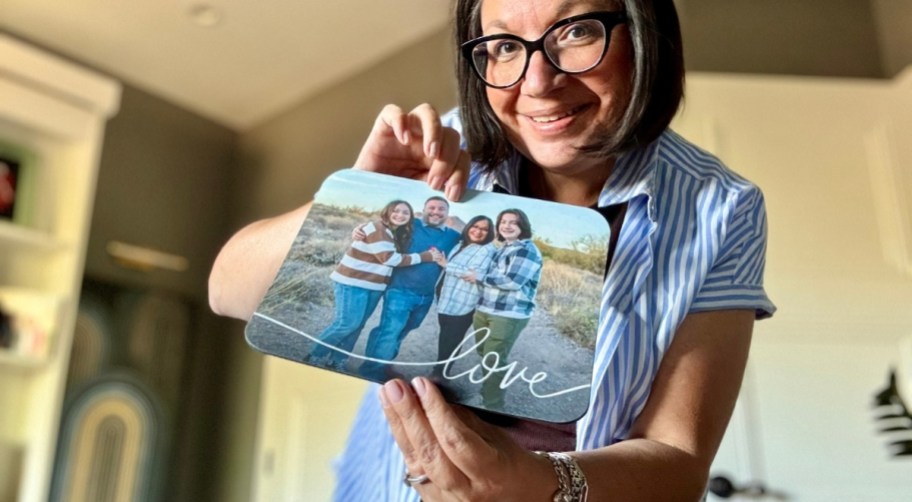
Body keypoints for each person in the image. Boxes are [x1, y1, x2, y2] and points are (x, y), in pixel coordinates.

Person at [208, 0, 777, 500]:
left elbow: (677, 460)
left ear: (644, 34)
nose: (537, 82)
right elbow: (225, 290)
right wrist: (360, 197)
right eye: (504, 46)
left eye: (576, 31)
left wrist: (534, 484)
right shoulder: (445, 150)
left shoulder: (721, 208)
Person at [309, 200, 438, 370]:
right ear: (387, 211)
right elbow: (390, 259)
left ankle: (337, 360)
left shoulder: (396, 232)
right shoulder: (377, 228)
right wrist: (424, 257)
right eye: (396, 211)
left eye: (405, 213)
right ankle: (314, 355)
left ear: (410, 217)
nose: (400, 215)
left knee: (358, 325)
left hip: (374, 286)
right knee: (347, 323)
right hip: (353, 282)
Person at [357, 196, 460, 380]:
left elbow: (476, 243)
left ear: (447, 213)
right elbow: (380, 226)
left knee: (403, 330)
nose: (436, 212)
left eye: (441, 209)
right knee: (390, 331)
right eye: (432, 208)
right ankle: (371, 373)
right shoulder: (411, 224)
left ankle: (383, 364)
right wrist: (359, 229)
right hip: (399, 290)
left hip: (426, 295)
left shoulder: (453, 236)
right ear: (424, 209)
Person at [471, 208, 542, 409]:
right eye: (503, 222)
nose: (507, 226)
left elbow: (513, 281)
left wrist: (479, 277)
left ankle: (493, 405)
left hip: (508, 314)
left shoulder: (526, 250)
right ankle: (488, 390)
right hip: (485, 309)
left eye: (513, 222)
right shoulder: (503, 248)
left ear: (522, 226)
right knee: (484, 352)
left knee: (493, 359)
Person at [431, 215, 496, 376]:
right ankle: (440, 369)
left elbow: (473, 275)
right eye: (475, 226)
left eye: (484, 229)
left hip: (463, 302)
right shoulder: (461, 244)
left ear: (489, 233)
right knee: (445, 337)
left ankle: (440, 375)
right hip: (446, 299)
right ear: (469, 226)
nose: (478, 231)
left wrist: (446, 264)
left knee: (452, 340)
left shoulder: (486, 250)